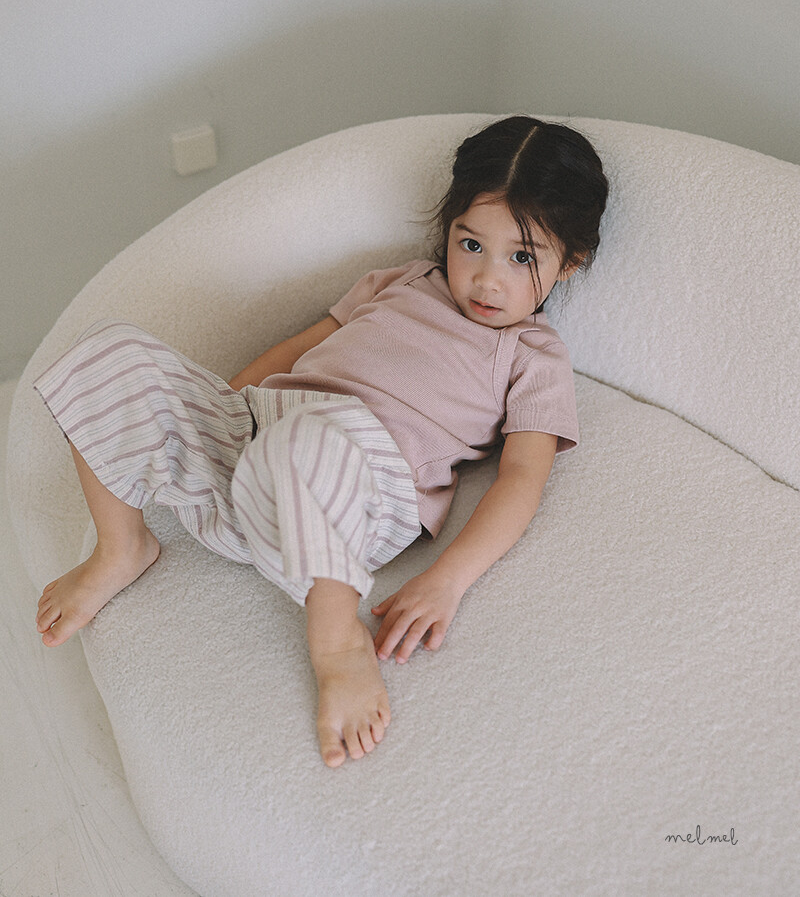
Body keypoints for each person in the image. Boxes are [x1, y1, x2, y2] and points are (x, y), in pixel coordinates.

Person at [34, 116, 608, 768]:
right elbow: (295, 349)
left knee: (306, 442)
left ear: (570, 263)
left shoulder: (532, 355)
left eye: (522, 258)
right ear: (448, 227)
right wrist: (214, 409)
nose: (486, 279)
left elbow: (523, 478)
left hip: (357, 493)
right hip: (253, 457)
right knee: (109, 351)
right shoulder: (399, 282)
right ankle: (122, 548)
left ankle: (338, 646)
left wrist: (448, 580)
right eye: (470, 244)